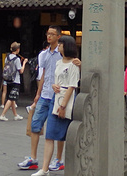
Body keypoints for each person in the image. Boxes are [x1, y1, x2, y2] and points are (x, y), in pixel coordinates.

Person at [18, 27, 74, 172]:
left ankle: (58, 159)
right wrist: (38, 94)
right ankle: (33, 158)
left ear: (58, 36)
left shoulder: (62, 54)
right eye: (48, 34)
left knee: (57, 129)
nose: (49, 36)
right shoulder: (43, 54)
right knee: (35, 125)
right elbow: (43, 75)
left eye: (52, 34)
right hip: (44, 95)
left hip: (58, 97)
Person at [31, 35, 80, 176]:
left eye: (61, 44)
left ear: (67, 46)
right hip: (55, 97)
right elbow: (56, 80)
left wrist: (63, 106)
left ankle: (62, 162)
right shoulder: (59, 62)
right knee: (49, 135)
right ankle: (44, 169)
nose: (58, 46)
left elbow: (72, 86)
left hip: (66, 101)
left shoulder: (74, 64)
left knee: (66, 136)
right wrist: (54, 86)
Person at [0, 42, 25, 121]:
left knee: (12, 98)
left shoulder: (7, 57)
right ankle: (3, 115)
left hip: (8, 80)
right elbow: (21, 71)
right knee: (11, 98)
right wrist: (24, 63)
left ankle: (15, 115)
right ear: (17, 50)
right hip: (15, 80)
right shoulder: (17, 59)